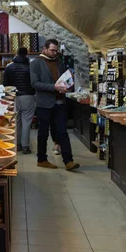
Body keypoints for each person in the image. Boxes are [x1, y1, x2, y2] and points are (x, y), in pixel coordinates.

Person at [30, 39, 79, 171]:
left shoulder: (59, 62)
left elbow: (63, 79)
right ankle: (42, 159)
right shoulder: (36, 63)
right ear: (44, 49)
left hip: (60, 103)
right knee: (43, 133)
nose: (55, 53)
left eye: (56, 50)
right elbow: (34, 83)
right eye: (52, 50)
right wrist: (54, 87)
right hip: (44, 104)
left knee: (63, 132)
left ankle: (69, 161)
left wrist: (68, 85)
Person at [3, 47, 35, 154]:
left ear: (16, 54)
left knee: (16, 121)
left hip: (13, 97)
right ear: (27, 55)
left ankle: (17, 145)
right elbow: (34, 83)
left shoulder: (9, 67)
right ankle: (25, 146)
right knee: (27, 121)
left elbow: (5, 84)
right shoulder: (30, 67)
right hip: (28, 96)